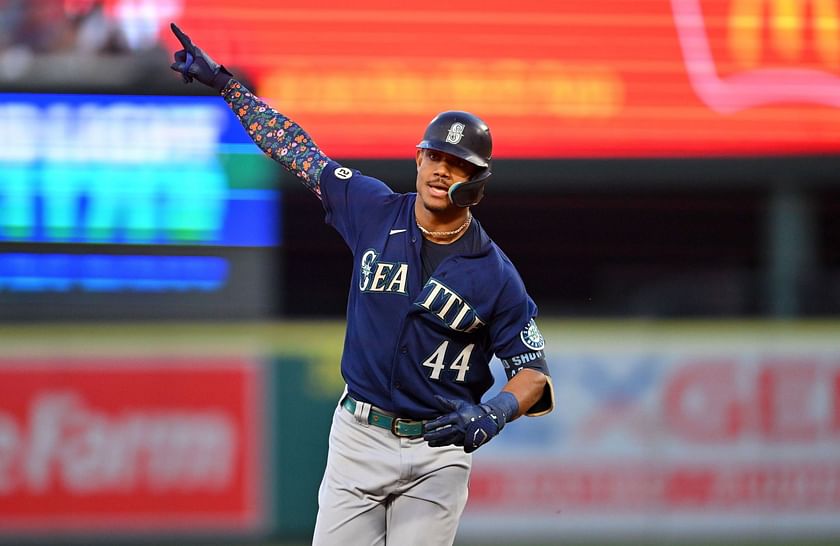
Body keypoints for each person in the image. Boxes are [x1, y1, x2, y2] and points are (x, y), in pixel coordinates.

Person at [169, 23, 554, 546]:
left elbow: (531, 374)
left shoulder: (495, 275)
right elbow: (300, 153)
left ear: (477, 185)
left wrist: (494, 412)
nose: (442, 171)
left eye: (458, 164)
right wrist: (229, 87)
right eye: (436, 156)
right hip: (358, 437)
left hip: (437, 453)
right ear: (418, 159)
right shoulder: (372, 208)